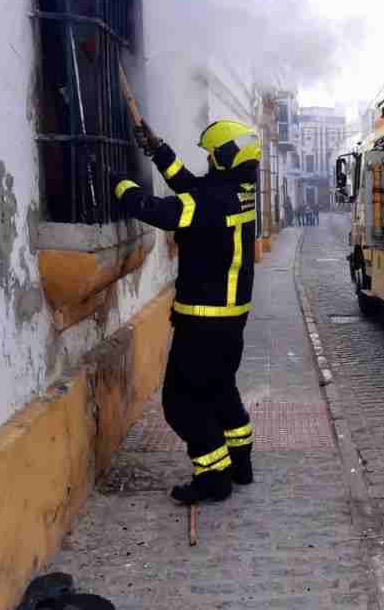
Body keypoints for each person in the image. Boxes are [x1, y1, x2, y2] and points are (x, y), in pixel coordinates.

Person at [110, 119, 259, 504]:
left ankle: (213, 476)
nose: (207, 159)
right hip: (232, 323)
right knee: (221, 389)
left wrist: (122, 187)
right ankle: (241, 463)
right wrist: (159, 150)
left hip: (203, 323)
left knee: (180, 404)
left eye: (211, 155)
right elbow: (192, 187)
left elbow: (163, 210)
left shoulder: (210, 202)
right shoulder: (238, 193)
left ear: (224, 158)